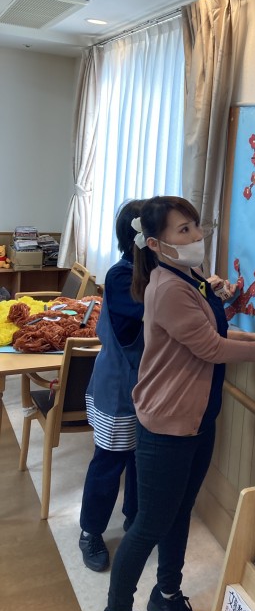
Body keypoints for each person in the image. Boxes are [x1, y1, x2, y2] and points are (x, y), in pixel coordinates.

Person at [101, 195, 255, 611]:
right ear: (155, 243)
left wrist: (254, 337)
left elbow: (211, 330)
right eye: (183, 230)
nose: (196, 236)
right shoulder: (168, 287)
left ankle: (166, 594)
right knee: (149, 523)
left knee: (179, 511)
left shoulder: (189, 278)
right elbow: (209, 347)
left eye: (195, 226)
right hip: (166, 426)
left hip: (197, 420)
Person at [79, 199, 145, 572]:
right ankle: (90, 531)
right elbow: (156, 312)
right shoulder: (121, 277)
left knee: (140, 462)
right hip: (118, 389)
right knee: (109, 463)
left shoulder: (156, 275)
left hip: (147, 389)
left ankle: (134, 523)